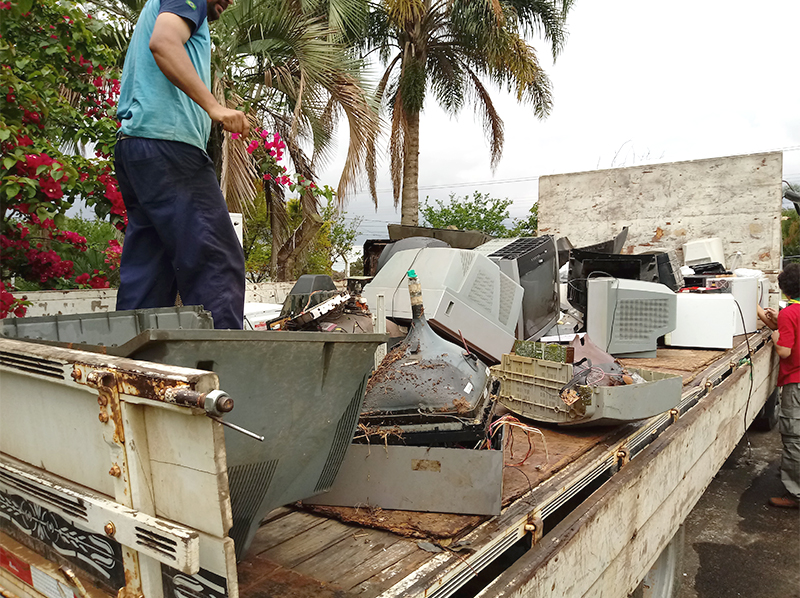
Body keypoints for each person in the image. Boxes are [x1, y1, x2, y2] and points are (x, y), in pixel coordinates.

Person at [114, 0, 249, 329]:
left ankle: (131, 356)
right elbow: (164, 42)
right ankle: (224, 359)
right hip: (169, 147)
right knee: (216, 261)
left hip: (137, 147)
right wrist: (214, 107)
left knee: (149, 272)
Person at [768, 262, 800, 509]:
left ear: (784, 289)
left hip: (796, 383)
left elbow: (785, 351)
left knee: (793, 437)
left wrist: (775, 337)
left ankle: (795, 493)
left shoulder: (789, 314)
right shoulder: (789, 315)